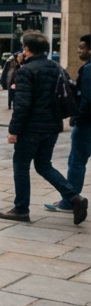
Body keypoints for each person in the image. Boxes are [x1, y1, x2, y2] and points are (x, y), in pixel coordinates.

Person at [0, 31, 88, 224]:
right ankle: (74, 197)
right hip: (53, 126)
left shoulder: (26, 71)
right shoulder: (57, 68)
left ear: (27, 49)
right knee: (43, 165)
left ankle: (21, 208)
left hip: (31, 128)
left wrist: (14, 130)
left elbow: (22, 104)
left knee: (21, 166)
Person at [47, 34, 91, 215]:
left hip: (87, 124)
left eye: (81, 47)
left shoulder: (88, 69)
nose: (79, 51)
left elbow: (87, 99)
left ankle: (69, 201)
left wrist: (77, 116)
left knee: (76, 162)